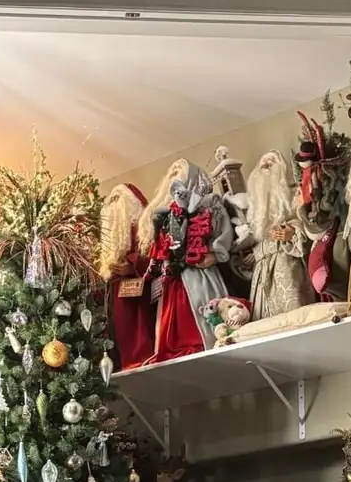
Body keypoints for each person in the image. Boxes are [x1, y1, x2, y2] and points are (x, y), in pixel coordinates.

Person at [138, 161, 234, 361]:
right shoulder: (165, 214)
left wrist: (215, 254)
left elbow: (223, 232)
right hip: (175, 278)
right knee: (173, 325)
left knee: (207, 319)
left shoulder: (209, 204)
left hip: (201, 274)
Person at [246, 150, 316, 320]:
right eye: (263, 165)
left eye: (270, 164)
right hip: (262, 269)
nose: (266, 167)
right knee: (265, 319)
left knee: (295, 314)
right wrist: (255, 252)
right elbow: (257, 234)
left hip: (286, 259)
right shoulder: (255, 207)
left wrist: (292, 232)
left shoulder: (294, 194)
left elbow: (305, 220)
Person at [98, 183, 156, 369]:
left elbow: (154, 255)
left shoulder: (143, 226)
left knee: (142, 330)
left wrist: (132, 266)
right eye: (112, 199)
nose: (114, 203)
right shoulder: (110, 233)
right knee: (122, 330)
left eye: (118, 199)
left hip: (141, 290)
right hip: (118, 291)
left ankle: (143, 360)